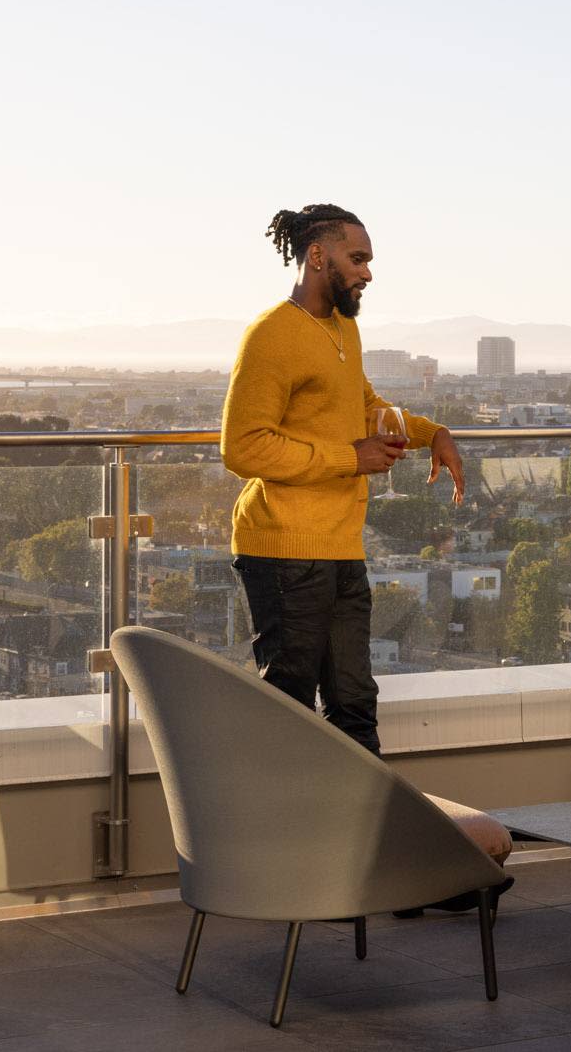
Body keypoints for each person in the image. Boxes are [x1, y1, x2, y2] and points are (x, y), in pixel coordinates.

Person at [220, 204, 465, 754]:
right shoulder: (271, 335)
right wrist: (349, 458)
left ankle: (358, 811)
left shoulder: (341, 329)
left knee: (355, 704)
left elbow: (365, 405)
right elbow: (242, 446)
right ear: (317, 256)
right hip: (284, 551)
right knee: (288, 710)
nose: (367, 273)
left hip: (340, 547)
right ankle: (283, 813)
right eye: (357, 259)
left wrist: (432, 433)